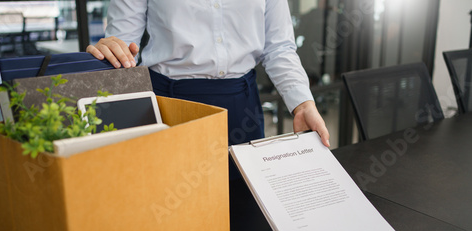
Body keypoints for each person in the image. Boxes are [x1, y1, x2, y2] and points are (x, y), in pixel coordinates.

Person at [87, 1, 330, 157]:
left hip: (241, 105)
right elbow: (123, 45)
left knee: (243, 206)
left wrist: (303, 103)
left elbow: (278, 48)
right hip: (172, 105)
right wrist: (112, 48)